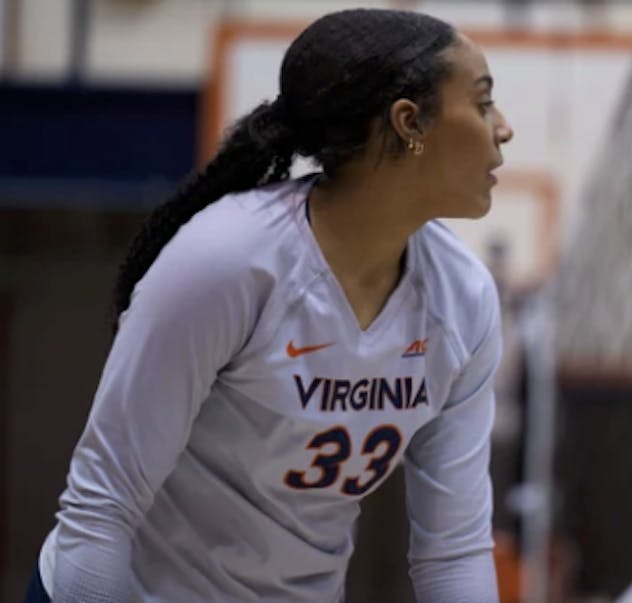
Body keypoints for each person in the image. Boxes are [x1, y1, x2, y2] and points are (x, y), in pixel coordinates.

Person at [25, 8, 513, 602]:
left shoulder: (463, 298)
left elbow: (452, 553)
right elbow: (100, 509)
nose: (503, 128)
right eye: (483, 103)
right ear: (409, 123)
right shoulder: (228, 260)